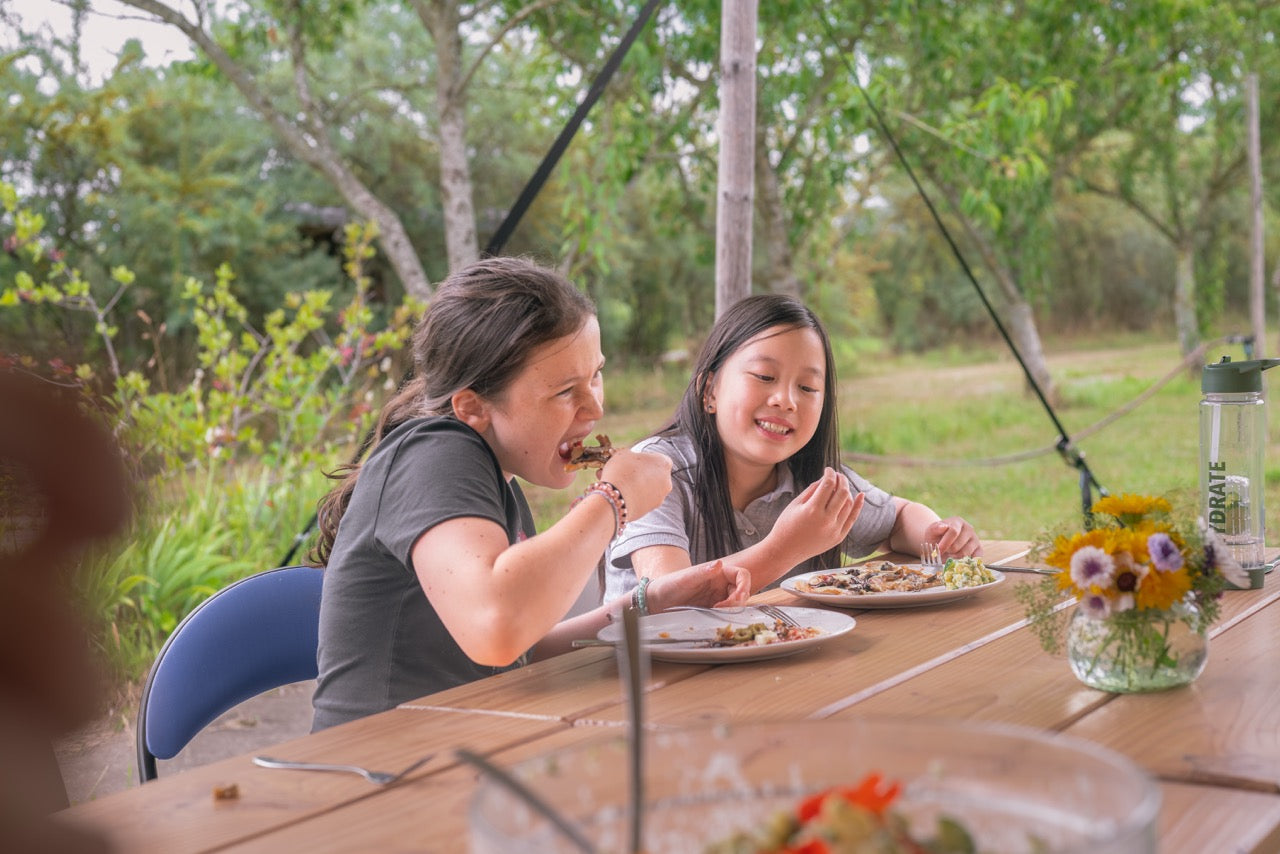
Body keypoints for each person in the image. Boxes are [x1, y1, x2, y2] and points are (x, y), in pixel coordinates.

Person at [310, 257, 750, 731]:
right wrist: (614, 500)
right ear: (472, 406)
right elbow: (496, 627)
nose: (595, 407)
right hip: (375, 772)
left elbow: (521, 651)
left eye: (595, 375)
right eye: (564, 391)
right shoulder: (432, 454)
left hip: (461, 750)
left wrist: (649, 603)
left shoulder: (496, 476)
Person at [603, 294, 982, 601]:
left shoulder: (809, 479)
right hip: (649, 682)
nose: (786, 400)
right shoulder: (656, 472)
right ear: (710, 391)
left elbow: (898, 517)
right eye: (765, 376)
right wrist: (788, 547)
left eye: (807, 388)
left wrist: (936, 536)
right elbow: (665, 598)